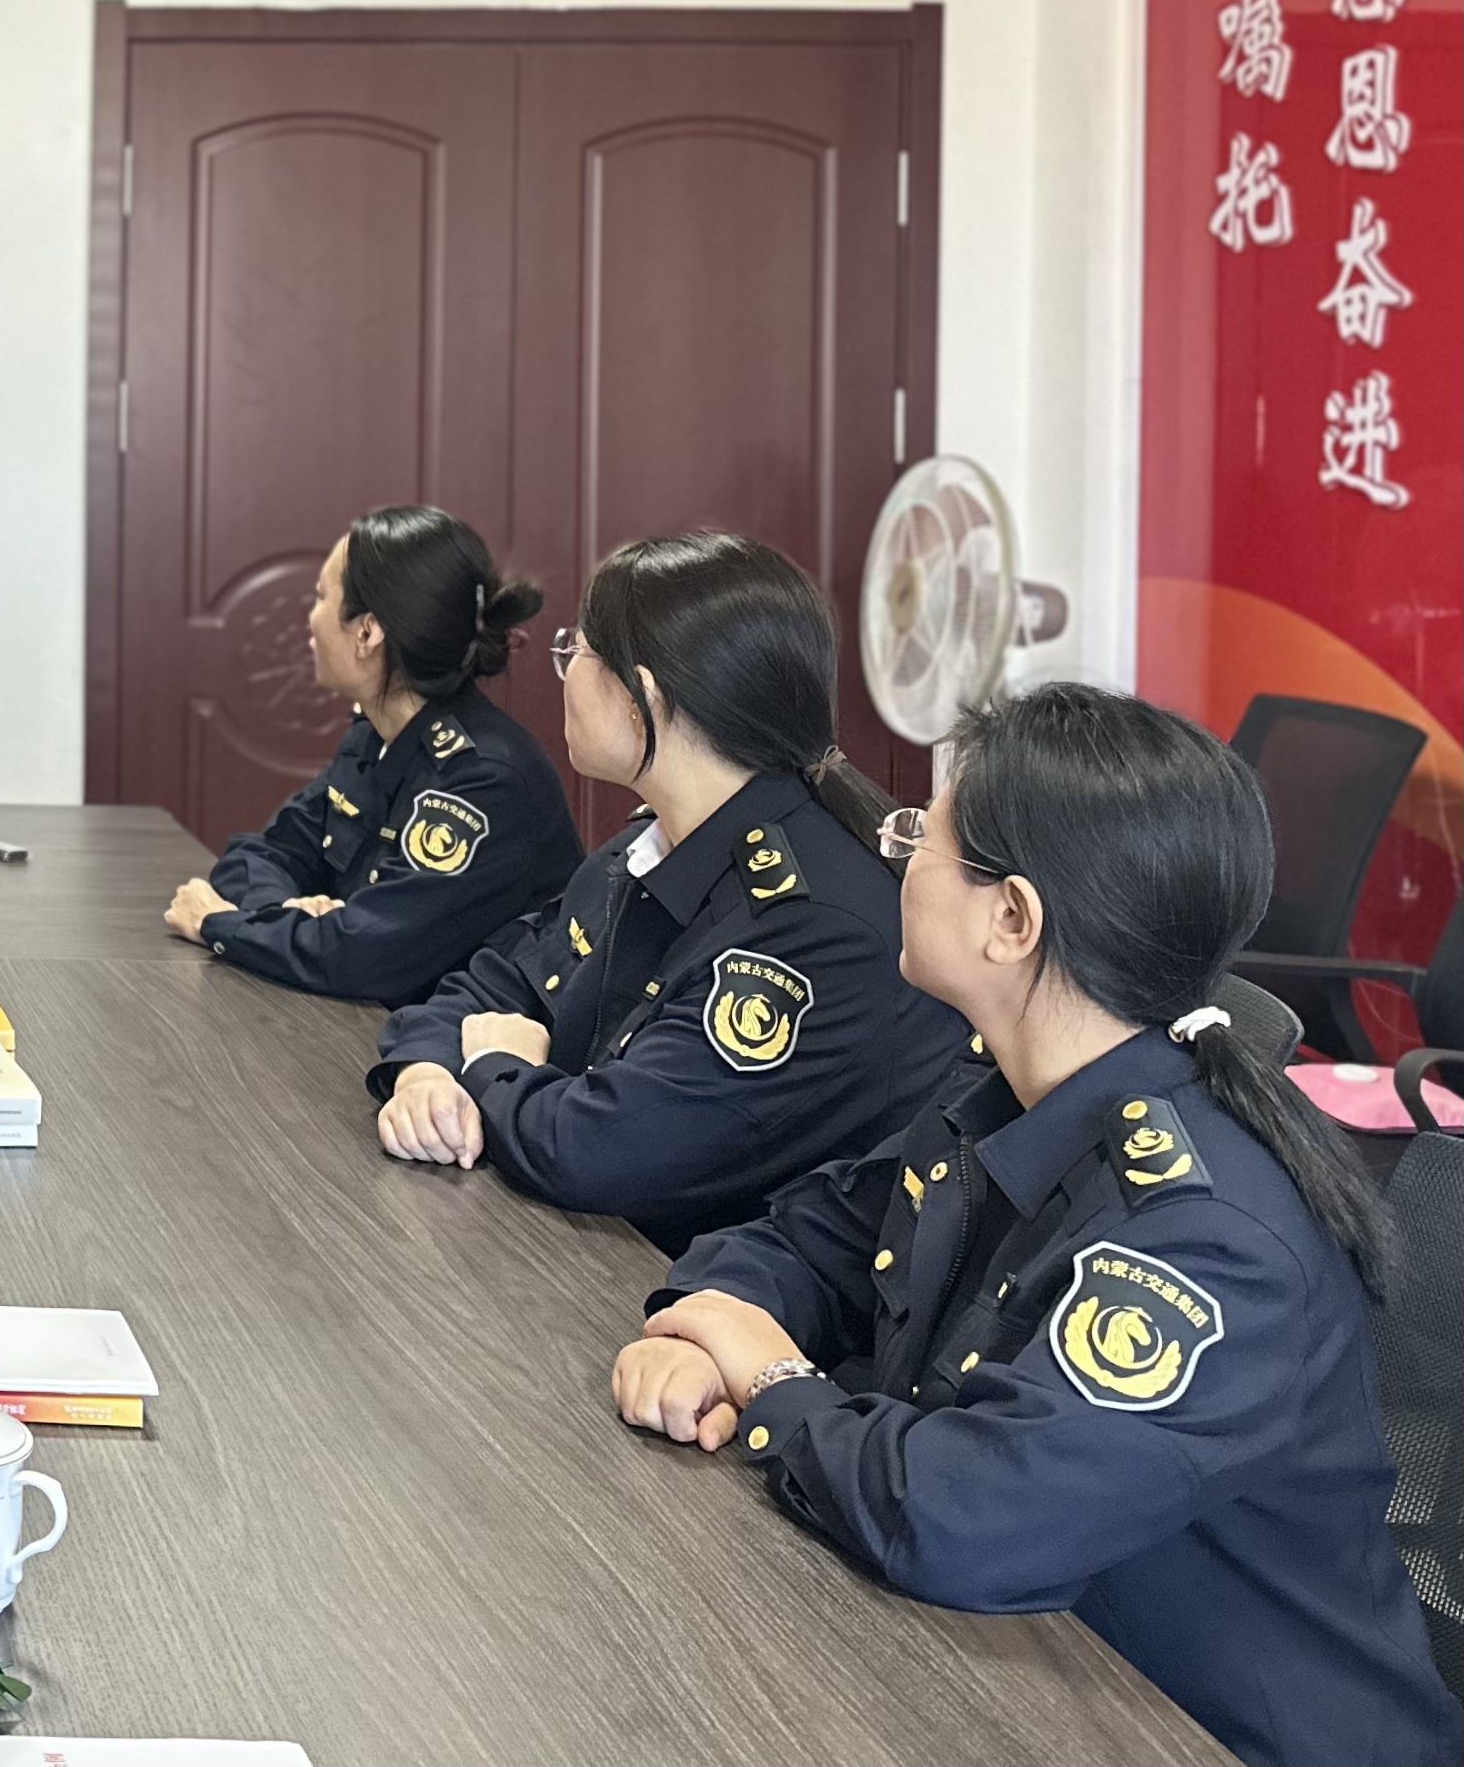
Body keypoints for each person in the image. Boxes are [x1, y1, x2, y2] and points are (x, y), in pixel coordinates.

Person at [616, 686, 1456, 1767]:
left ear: (1012, 919)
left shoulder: (1211, 1241)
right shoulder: (1007, 1087)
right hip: (1024, 1664)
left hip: (1207, 1732)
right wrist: (711, 1322)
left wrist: (772, 1384)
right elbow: (815, 1233)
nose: (895, 855)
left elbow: (964, 1516)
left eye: (921, 835)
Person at [368, 531, 967, 1253]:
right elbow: (493, 979)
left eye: (578, 650)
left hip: (686, 1294)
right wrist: (427, 1074)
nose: (564, 671)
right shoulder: (651, 844)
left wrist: (496, 1067)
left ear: (639, 697)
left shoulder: (814, 928)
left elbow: (601, 1151)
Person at [165, 507, 576, 1004]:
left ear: (367, 633)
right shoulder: (374, 736)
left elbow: (365, 957)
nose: (310, 620)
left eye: (321, 597)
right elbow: (264, 854)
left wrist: (219, 924)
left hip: (452, 1043)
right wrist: (285, 914)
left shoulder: (485, 779)